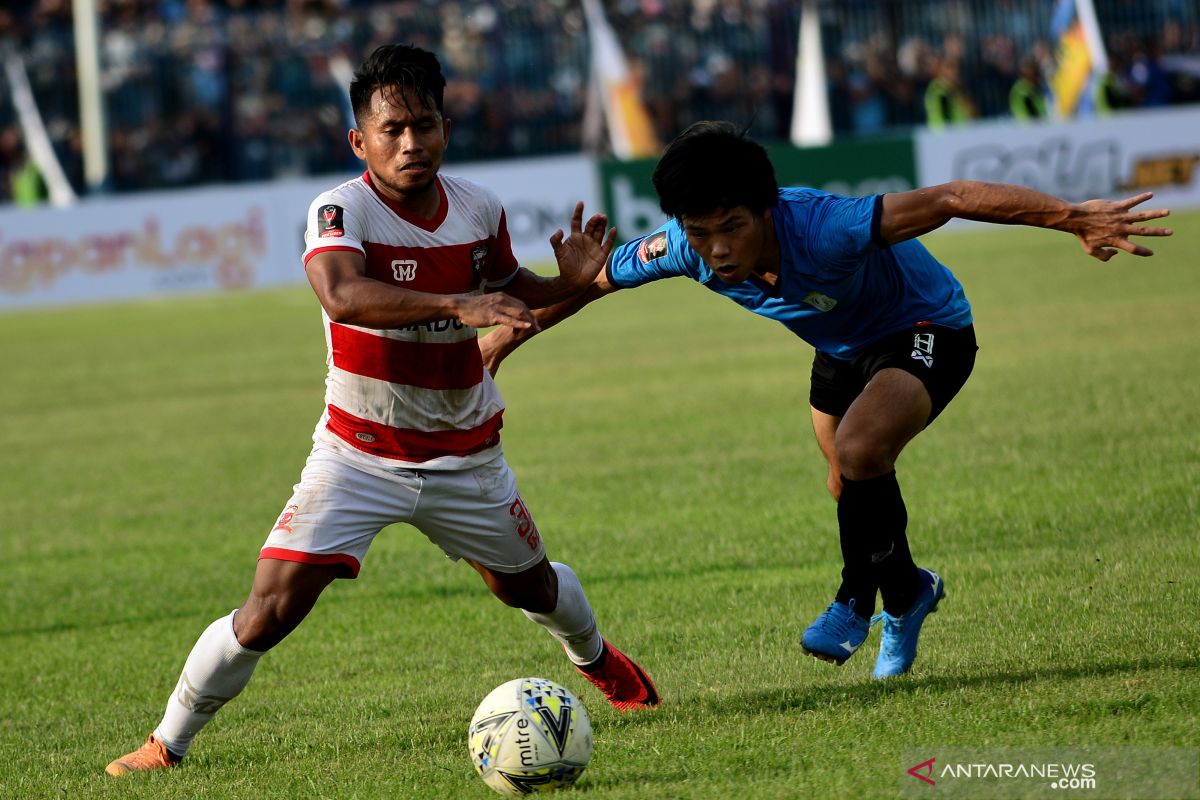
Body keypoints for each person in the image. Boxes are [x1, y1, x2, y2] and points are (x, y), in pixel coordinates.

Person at [105, 44, 658, 777]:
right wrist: (457, 304)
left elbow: (508, 289)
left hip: (466, 453)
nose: (410, 142)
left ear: (446, 129)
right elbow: (342, 294)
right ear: (358, 141)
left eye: (423, 125)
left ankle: (598, 660)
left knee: (531, 588)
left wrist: (566, 282)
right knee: (269, 609)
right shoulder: (341, 209)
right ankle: (166, 743)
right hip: (357, 453)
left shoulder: (479, 208)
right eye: (391, 129)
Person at [480, 120, 1172, 681]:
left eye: (732, 227)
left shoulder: (829, 226)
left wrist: (1074, 217)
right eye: (700, 232)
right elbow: (591, 285)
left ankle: (855, 601)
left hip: (925, 327)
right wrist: (499, 346)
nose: (717, 250)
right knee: (847, 479)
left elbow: (953, 197)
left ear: (766, 210)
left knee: (862, 446)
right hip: (840, 349)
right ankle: (906, 592)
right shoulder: (683, 249)